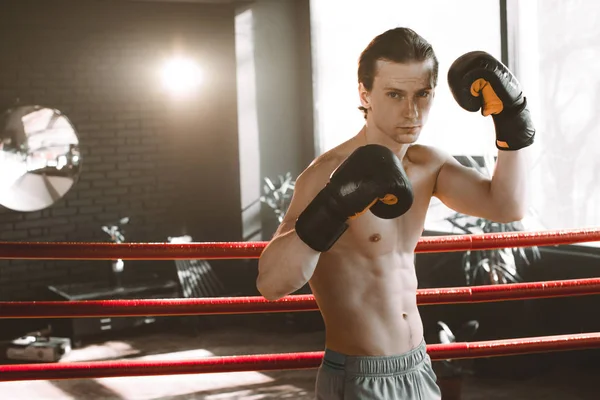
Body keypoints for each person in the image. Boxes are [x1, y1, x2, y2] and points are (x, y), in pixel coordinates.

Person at [256, 27, 534, 400]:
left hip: (418, 366)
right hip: (361, 376)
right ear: (364, 94)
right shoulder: (327, 173)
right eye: (394, 95)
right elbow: (271, 284)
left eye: (422, 94)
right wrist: (333, 205)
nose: (412, 111)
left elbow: (506, 206)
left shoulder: (428, 165)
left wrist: (512, 119)